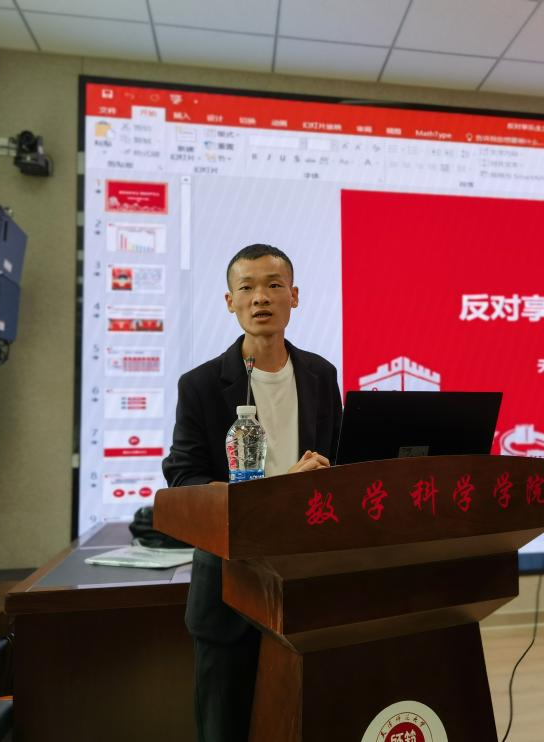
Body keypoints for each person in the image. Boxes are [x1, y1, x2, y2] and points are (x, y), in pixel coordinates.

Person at [163, 243, 342, 742]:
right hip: (229, 591)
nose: (261, 297)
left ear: (294, 296)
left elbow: (336, 464)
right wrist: (274, 490)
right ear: (230, 302)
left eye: (273, 285)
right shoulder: (200, 385)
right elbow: (184, 478)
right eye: (247, 287)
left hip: (305, 585)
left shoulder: (321, 375)